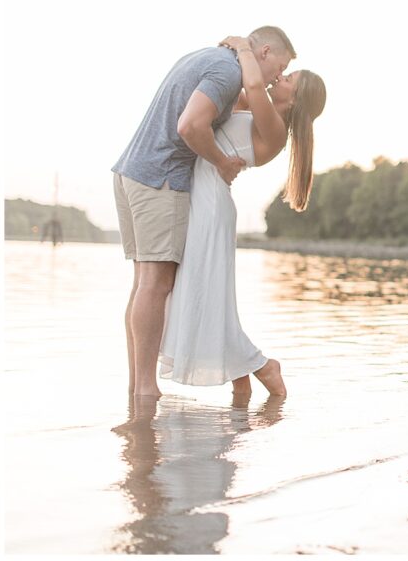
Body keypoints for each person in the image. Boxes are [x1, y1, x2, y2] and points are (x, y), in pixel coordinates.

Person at [112, 26, 295, 397]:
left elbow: (246, 99)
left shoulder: (217, 63)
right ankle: (145, 390)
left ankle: (140, 390)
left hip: (136, 172)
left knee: (147, 286)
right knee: (155, 285)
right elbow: (190, 125)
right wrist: (222, 162)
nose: (280, 75)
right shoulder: (227, 72)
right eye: (282, 65)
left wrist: (242, 48)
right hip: (161, 177)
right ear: (264, 52)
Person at [158, 35, 327, 397]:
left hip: (211, 204)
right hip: (205, 198)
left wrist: (243, 46)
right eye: (283, 73)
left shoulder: (275, 128)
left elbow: (251, 80)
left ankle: (264, 367)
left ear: (293, 100)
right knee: (208, 296)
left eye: (288, 79)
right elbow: (232, 90)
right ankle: (243, 382)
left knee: (206, 295)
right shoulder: (258, 108)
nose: (279, 79)